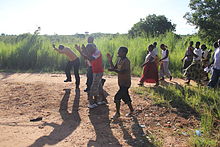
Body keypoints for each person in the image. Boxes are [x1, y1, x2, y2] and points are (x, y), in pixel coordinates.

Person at [75, 43, 106, 108]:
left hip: (98, 71)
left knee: (95, 86)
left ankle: (93, 102)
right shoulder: (92, 52)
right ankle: (97, 101)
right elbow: (86, 57)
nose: (88, 51)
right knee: (98, 86)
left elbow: (91, 58)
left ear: (92, 48)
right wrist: (80, 51)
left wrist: (83, 51)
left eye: (89, 50)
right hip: (96, 71)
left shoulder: (97, 52)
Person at [107, 47, 134, 118]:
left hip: (126, 83)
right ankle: (132, 110)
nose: (118, 53)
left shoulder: (126, 61)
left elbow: (123, 71)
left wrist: (113, 70)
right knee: (126, 97)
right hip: (121, 83)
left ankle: (117, 113)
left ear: (124, 53)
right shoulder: (119, 60)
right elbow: (114, 68)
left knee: (117, 97)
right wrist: (110, 61)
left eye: (120, 51)